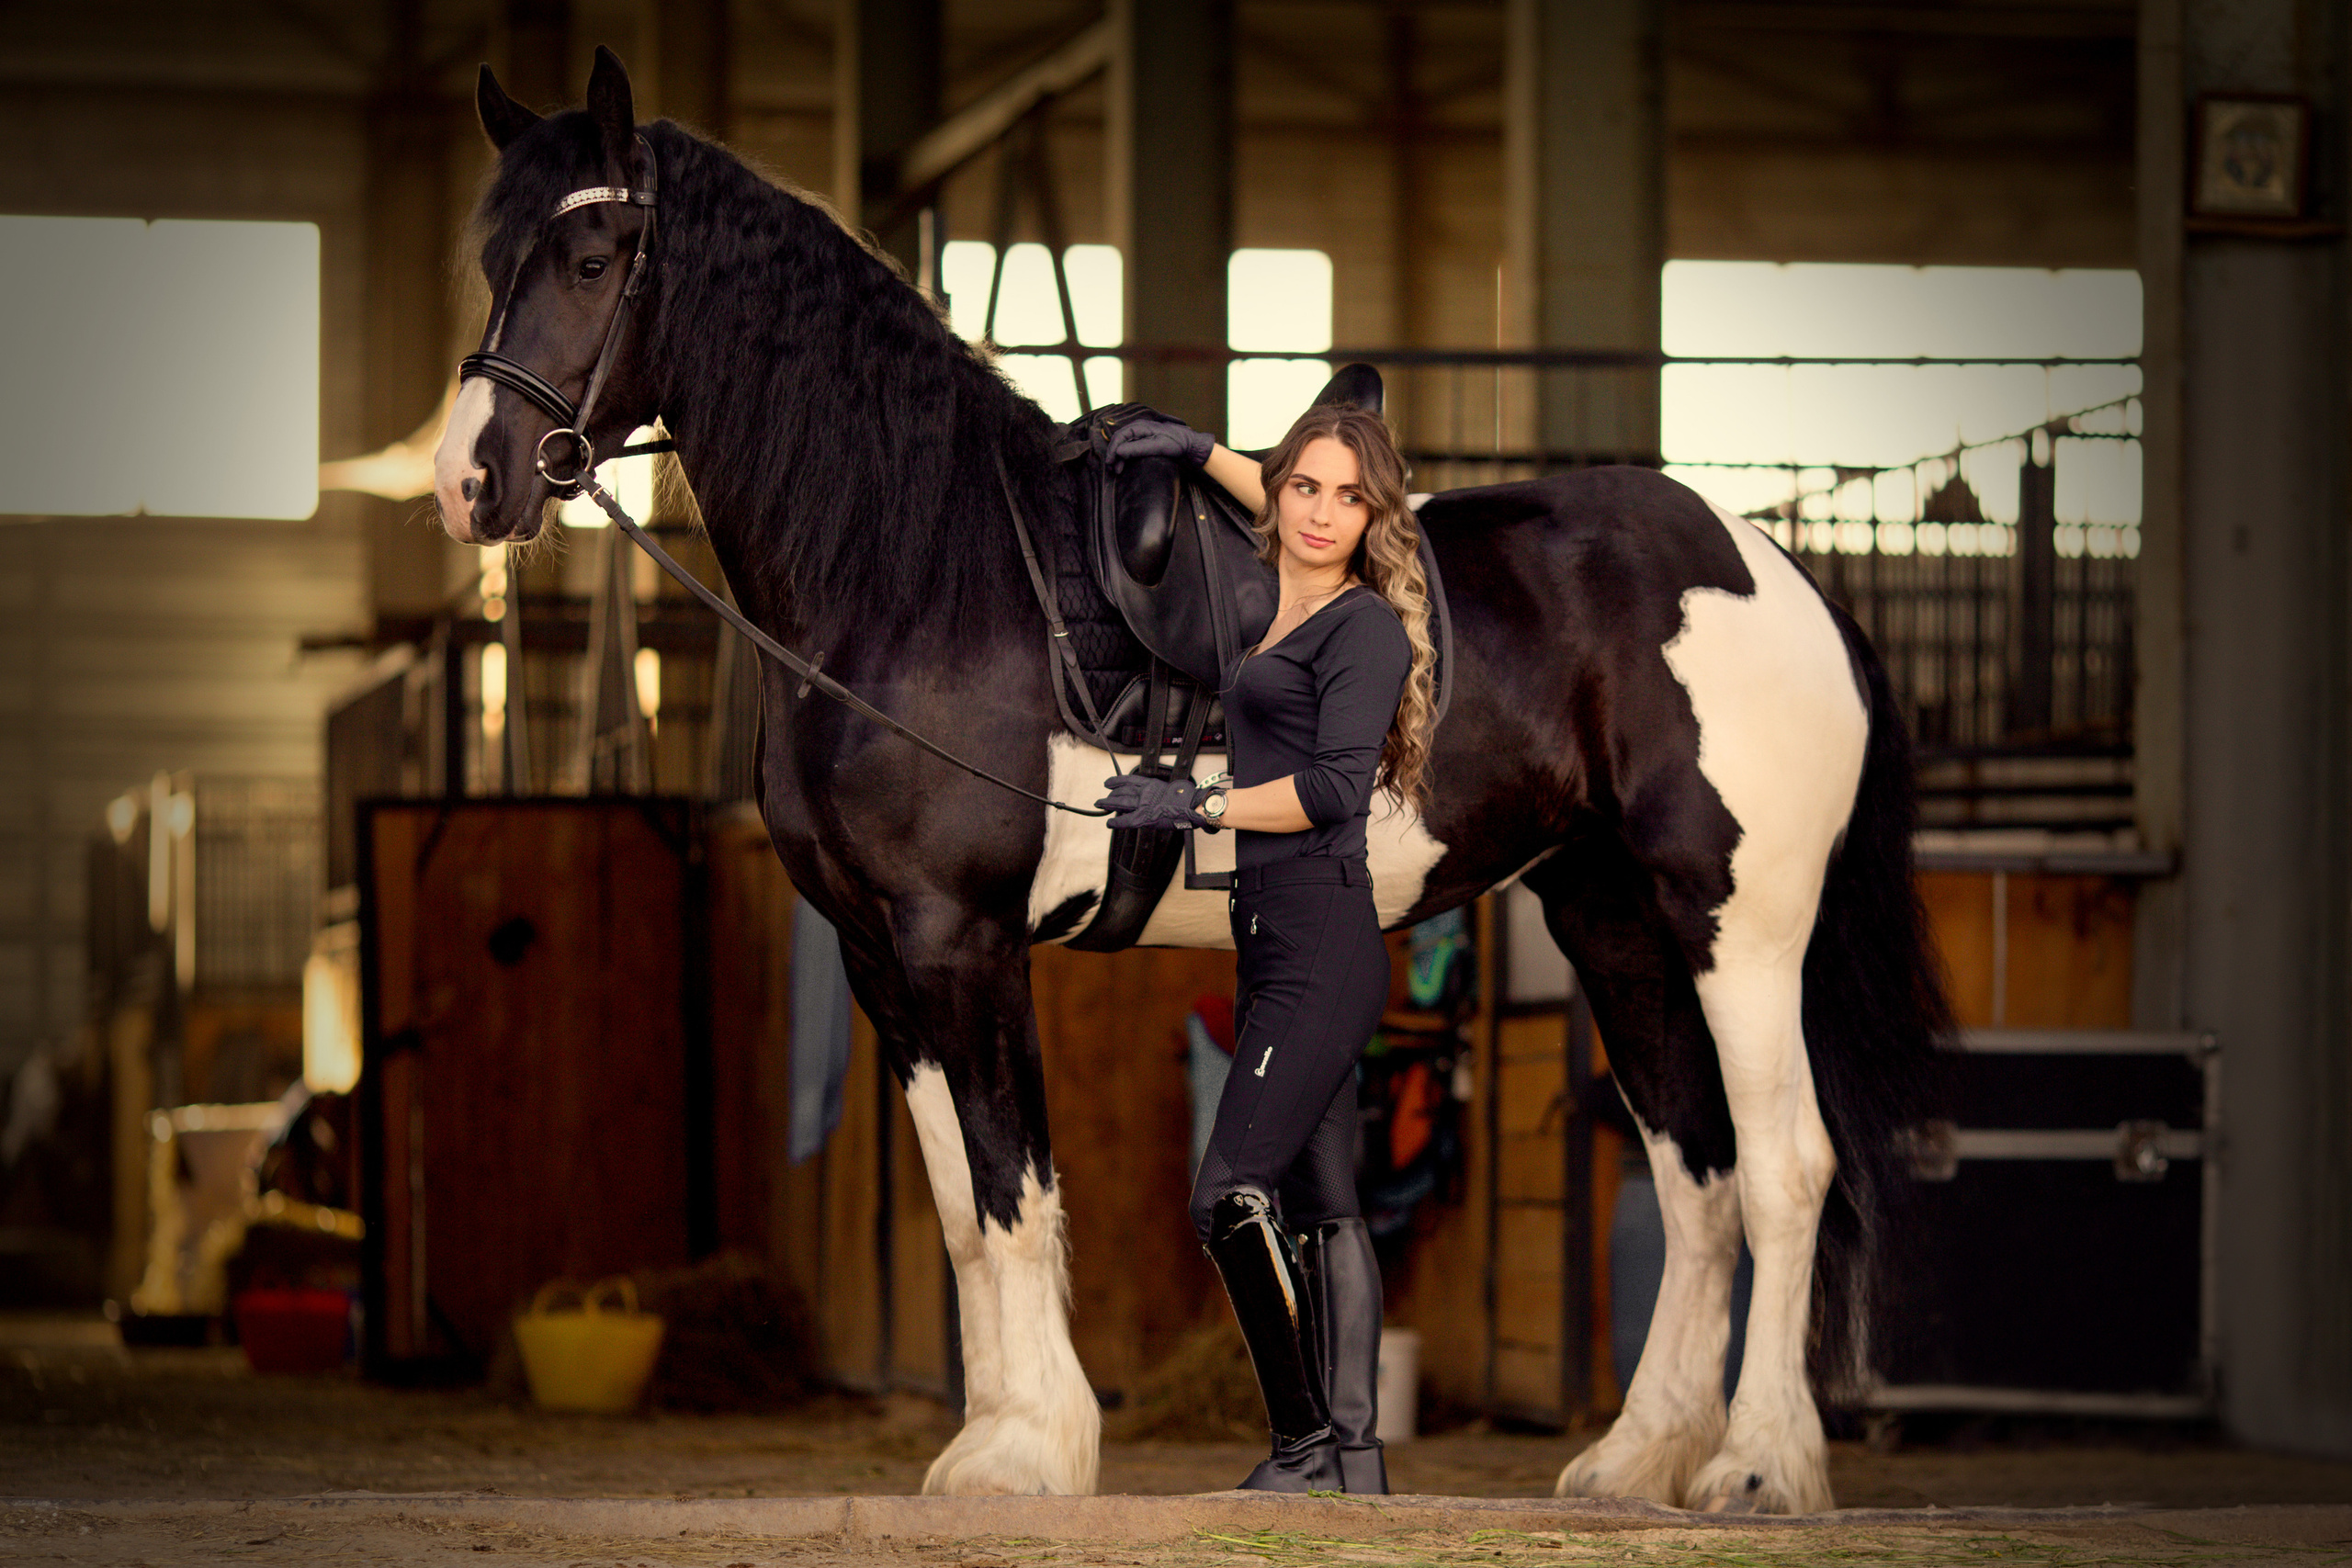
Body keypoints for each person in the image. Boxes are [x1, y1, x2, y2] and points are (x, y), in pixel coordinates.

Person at [1093, 403, 1439, 1494]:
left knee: (1227, 1195)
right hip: (1273, 936)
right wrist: (1198, 452)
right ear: (1279, 491)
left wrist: (1194, 803)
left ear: (1375, 515)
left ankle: (1300, 1452)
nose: (1324, 512)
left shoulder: (1363, 628)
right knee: (1322, 1202)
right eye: (1305, 488)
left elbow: (1337, 787)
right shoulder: (1284, 604)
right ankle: (1355, 1461)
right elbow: (1275, 496)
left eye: (1351, 497)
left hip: (1325, 936)